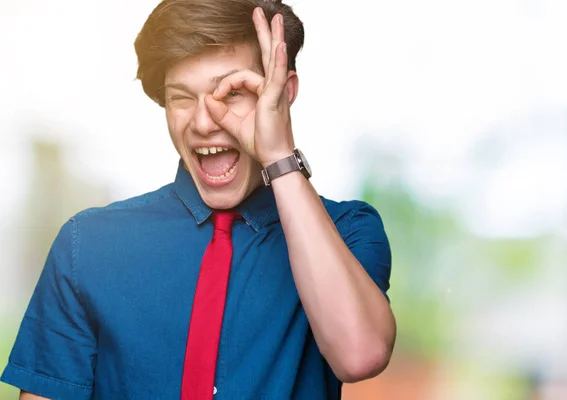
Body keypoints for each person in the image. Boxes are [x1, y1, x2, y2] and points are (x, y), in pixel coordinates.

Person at [1, 0, 396, 398]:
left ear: (284, 94)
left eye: (234, 93)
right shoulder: (87, 244)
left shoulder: (348, 232)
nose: (205, 122)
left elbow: (359, 355)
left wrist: (279, 157)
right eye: (182, 98)